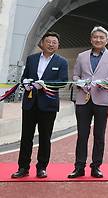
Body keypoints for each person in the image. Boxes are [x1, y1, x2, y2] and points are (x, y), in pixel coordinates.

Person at [11, 32, 68, 179]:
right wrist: (26, 84)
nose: (51, 44)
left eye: (54, 42)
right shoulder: (32, 59)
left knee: (45, 137)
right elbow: (24, 78)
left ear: (58, 45)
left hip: (48, 105)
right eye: (48, 41)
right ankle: (23, 167)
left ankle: (41, 167)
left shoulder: (62, 62)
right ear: (42, 43)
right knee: (26, 137)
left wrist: (45, 85)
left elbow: (63, 82)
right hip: (30, 103)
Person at [68, 26, 108, 179]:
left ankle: (96, 166)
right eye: (95, 37)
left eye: (101, 37)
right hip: (83, 99)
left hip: (102, 98)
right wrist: (81, 83)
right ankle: (79, 167)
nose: (98, 40)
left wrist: (100, 82)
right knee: (82, 135)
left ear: (107, 40)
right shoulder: (81, 56)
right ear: (91, 39)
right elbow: (76, 75)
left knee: (99, 135)